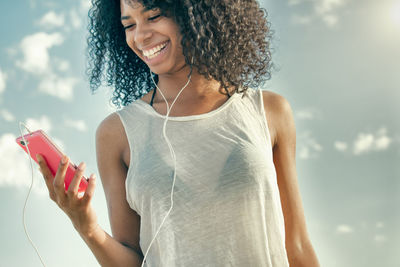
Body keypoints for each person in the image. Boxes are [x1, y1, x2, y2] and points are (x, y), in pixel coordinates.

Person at [36, 0, 320, 266]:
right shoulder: (116, 133)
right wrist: (86, 227)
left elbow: (295, 245)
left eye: (154, 16)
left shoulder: (269, 110)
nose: (141, 36)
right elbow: (134, 260)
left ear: (196, 11)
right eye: (129, 25)